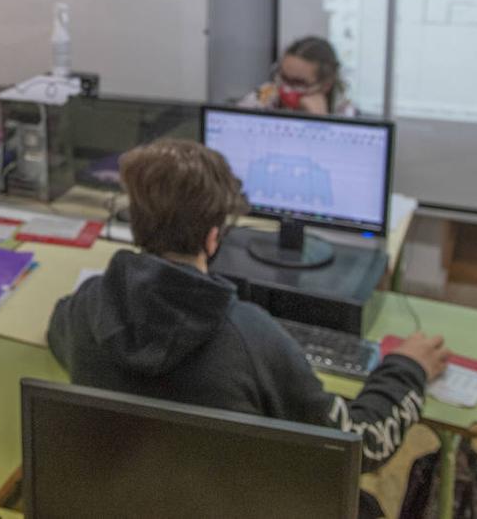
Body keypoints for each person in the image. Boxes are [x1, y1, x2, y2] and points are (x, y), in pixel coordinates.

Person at [47, 140, 449, 514]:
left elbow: (56, 331)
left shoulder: (89, 307)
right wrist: (406, 369)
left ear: (135, 224)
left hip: (130, 498)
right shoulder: (249, 334)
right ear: (212, 237)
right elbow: (356, 445)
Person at [240, 35, 356, 115]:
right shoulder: (266, 94)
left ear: (326, 85)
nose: (286, 88)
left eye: (298, 83)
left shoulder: (344, 112)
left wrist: (321, 122)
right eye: (283, 78)